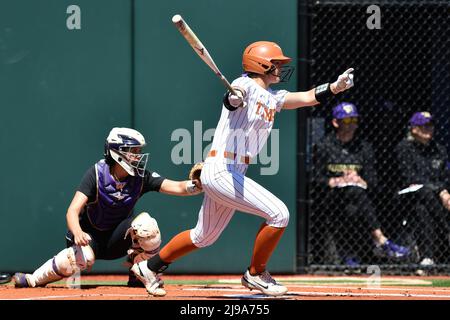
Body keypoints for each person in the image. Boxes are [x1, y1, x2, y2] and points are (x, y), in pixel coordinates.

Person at [129, 41, 355, 297]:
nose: (281, 68)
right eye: (276, 64)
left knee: (204, 236)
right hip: (222, 168)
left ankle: (150, 267)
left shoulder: (273, 97)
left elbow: (305, 97)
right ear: (262, 65)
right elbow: (232, 97)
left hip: (234, 170)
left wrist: (335, 88)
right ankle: (256, 274)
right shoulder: (243, 84)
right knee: (279, 214)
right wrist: (233, 99)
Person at [13, 127, 202, 295]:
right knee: (79, 258)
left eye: (139, 151)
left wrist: (198, 185)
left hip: (116, 240)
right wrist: (78, 233)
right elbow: (72, 210)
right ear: (117, 153)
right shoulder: (96, 174)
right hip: (89, 236)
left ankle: (140, 272)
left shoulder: (140, 176)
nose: (138, 156)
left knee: (147, 227)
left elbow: (176, 187)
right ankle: (33, 279)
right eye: (133, 151)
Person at [311, 102, 410, 266]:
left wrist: (360, 180)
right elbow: (314, 177)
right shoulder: (324, 146)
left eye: (354, 121)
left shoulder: (364, 147)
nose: (351, 125)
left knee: (353, 207)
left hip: (358, 200)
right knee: (351, 195)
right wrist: (335, 180)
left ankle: (349, 256)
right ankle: (380, 240)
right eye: (347, 121)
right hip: (331, 199)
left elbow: (373, 181)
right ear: (336, 123)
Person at [394, 111, 450, 266]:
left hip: (432, 199)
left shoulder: (439, 149)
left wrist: (442, 190)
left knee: (422, 209)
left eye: (431, 125)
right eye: (424, 126)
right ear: (413, 128)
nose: (429, 129)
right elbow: (411, 178)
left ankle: (427, 258)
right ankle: (447, 230)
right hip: (407, 196)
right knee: (423, 192)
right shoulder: (404, 148)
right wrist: (441, 191)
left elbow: (445, 177)